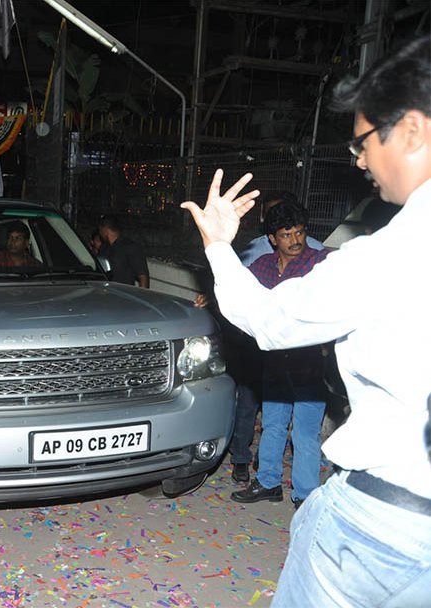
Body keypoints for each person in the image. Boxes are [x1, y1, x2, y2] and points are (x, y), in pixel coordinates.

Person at [180, 36, 431, 606]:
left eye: (363, 141)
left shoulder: (392, 253)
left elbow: (270, 319)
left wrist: (217, 243)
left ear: (413, 131)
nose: (359, 160)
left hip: (386, 527)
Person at [229, 202, 329, 509]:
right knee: (273, 424)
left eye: (299, 232)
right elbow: (238, 290)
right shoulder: (262, 266)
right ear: (273, 239)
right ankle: (268, 482)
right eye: (287, 235)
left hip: (310, 365)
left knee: (305, 433)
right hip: (274, 363)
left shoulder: (319, 263)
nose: (296, 240)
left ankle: (306, 495)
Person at [237, 191, 324, 265]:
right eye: (286, 235)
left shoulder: (317, 253)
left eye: (298, 233)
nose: (294, 241)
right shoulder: (256, 253)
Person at [97, 215, 149, 287]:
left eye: (100, 230)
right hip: (104, 290)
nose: (100, 233)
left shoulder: (130, 247)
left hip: (123, 291)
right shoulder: (104, 248)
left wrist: (141, 293)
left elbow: (143, 276)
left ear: (105, 230)